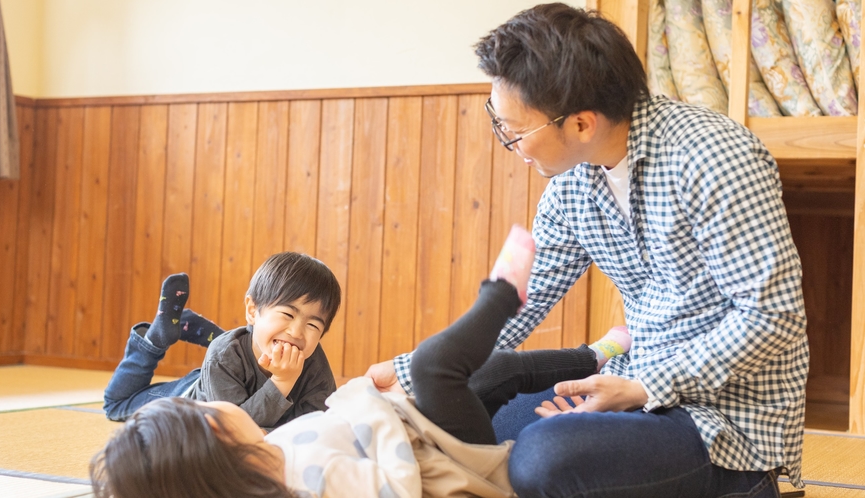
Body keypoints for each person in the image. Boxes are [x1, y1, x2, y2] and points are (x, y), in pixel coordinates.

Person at [365, 4, 809, 497]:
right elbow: (517, 302)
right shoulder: (570, 186)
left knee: (542, 456)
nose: (511, 144)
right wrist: (414, 370)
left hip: (724, 421)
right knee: (462, 398)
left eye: (515, 131)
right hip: (630, 385)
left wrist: (642, 390)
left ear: (581, 124)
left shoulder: (712, 157)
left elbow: (772, 316)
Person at [90, 227, 632, 498]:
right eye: (287, 317)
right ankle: (501, 295)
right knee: (436, 366)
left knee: (497, 371)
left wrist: (362, 391)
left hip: (420, 430)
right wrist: (287, 385)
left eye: (315, 325)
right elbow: (389, 480)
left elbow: (329, 411)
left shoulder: (284, 420)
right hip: (438, 456)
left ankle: (598, 353)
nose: (301, 335)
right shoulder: (292, 463)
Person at [102, 252, 341, 431]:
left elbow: (318, 424)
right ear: (252, 309)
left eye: (313, 325)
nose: (297, 332)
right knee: (116, 404)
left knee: (229, 351)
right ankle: (155, 339)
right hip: (190, 399)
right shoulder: (225, 355)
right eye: (287, 314)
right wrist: (282, 381)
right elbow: (233, 428)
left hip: (221, 376)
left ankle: (204, 330)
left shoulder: (314, 361)